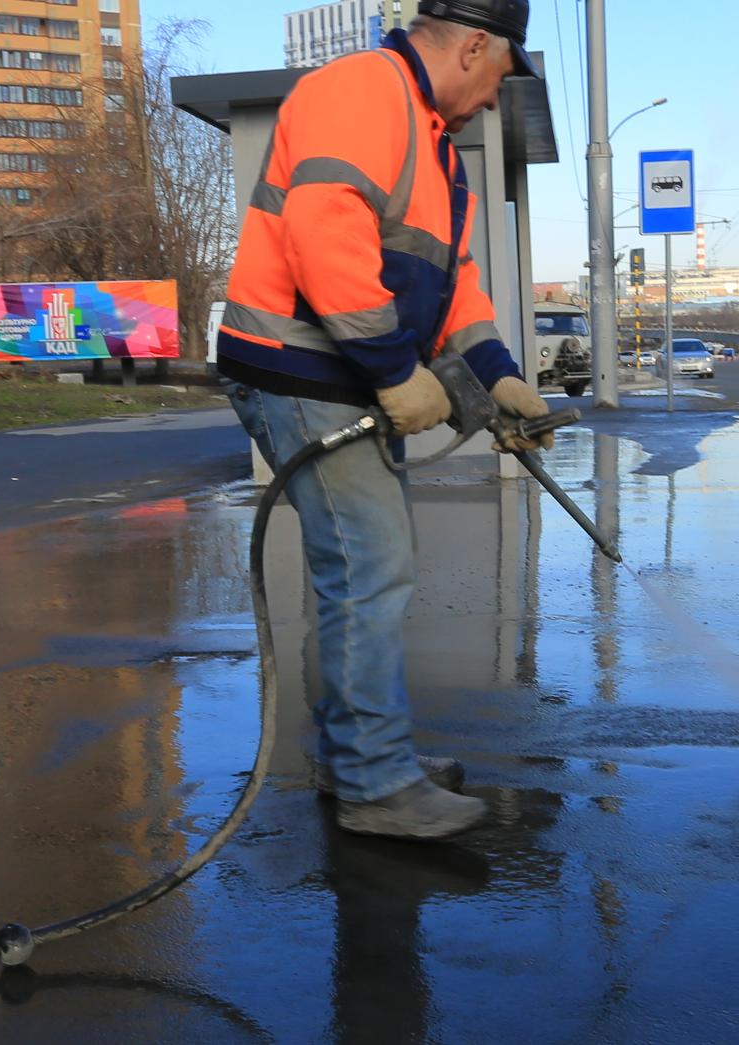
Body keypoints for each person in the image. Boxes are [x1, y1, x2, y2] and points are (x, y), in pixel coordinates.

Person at [215, 0, 550, 841]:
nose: (493, 98)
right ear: (475, 44)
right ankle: (374, 783)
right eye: (502, 75)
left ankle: (358, 759)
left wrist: (498, 376)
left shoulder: (438, 150)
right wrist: (396, 373)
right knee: (370, 563)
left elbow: (454, 282)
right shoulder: (362, 90)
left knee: (362, 564)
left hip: (335, 375)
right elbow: (324, 235)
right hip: (299, 369)